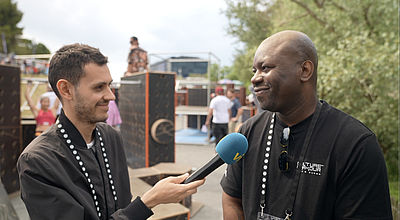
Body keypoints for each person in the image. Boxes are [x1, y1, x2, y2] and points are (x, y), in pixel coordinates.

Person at [17, 43, 205, 220]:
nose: (111, 96)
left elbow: (121, 206)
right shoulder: (38, 161)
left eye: (109, 85)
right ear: (66, 89)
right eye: (99, 87)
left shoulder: (110, 137)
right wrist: (150, 201)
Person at [220, 30, 392, 219]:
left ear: (305, 71)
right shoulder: (247, 134)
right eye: (255, 71)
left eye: (266, 68)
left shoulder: (356, 145)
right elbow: (231, 198)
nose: (255, 78)